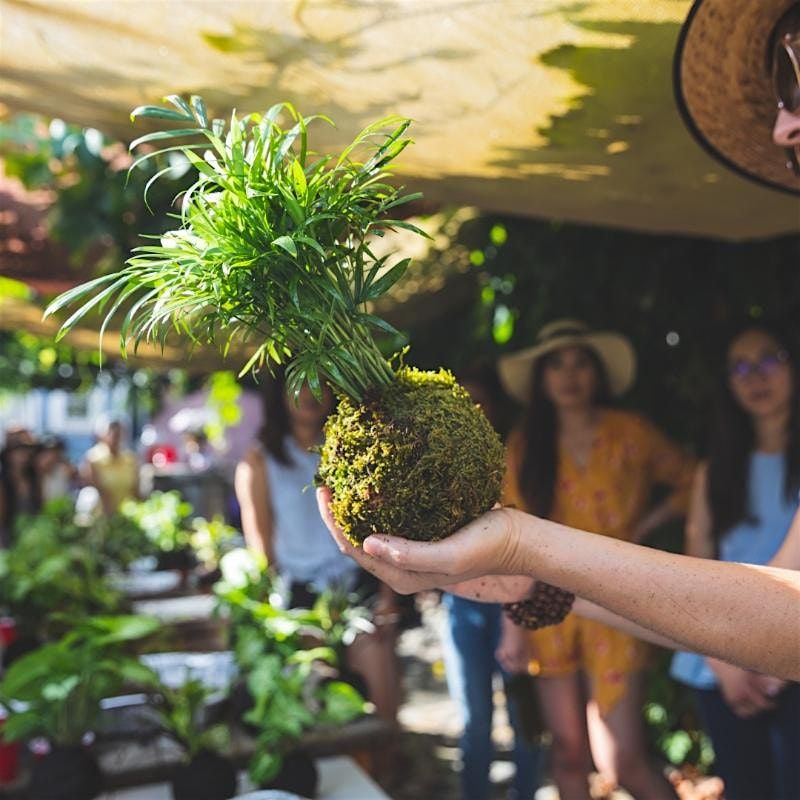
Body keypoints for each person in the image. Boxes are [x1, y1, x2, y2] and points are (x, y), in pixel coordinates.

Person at [493, 320, 696, 800]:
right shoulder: (525, 445)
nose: (569, 375)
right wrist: (513, 625)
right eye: (556, 365)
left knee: (622, 761)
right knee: (566, 753)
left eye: (580, 362)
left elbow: (692, 479)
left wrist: (643, 526)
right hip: (547, 603)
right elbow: (508, 532)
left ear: (598, 372)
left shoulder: (630, 433)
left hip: (618, 598)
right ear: (542, 379)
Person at [669, 321, 799, 800]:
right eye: (740, 367)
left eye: (768, 359)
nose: (755, 376)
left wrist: (775, 657)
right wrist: (720, 658)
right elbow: (696, 560)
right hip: (720, 654)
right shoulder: (716, 466)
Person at [234, 371, 401, 723]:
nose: (311, 394)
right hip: (300, 595)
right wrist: (272, 616)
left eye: (320, 383)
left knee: (382, 702)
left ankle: (386, 770)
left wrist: (388, 592)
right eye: (299, 383)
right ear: (280, 394)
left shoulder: (351, 449)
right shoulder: (260, 461)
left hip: (357, 584)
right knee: (317, 704)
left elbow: (381, 525)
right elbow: (261, 547)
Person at [440, 363, 539, 800]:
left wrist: (518, 617)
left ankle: (526, 791)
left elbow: (530, 537)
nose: (471, 411)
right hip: (462, 603)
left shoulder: (513, 457)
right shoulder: (435, 466)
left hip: (512, 601)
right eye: (461, 402)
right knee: (474, 717)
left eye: (479, 402)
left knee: (522, 712)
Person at [81, 416, 140, 514]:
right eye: (111, 433)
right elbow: (93, 487)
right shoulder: (92, 459)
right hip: (101, 515)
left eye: (119, 433)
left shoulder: (130, 458)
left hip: (127, 513)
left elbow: (135, 489)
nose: (115, 437)